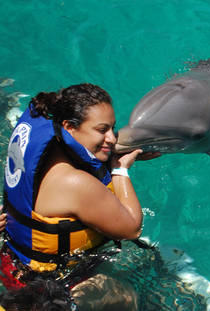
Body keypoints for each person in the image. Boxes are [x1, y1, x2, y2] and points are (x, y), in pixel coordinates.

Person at [0, 83, 159, 309]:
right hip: (39, 288)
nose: (112, 138)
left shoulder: (49, 139)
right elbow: (131, 228)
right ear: (69, 127)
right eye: (102, 130)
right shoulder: (73, 183)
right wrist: (121, 170)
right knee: (126, 295)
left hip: (12, 263)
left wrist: (111, 151)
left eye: (113, 129)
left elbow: (83, 154)